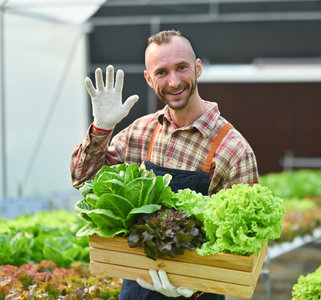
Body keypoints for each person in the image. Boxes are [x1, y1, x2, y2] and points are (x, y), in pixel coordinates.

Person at [70, 30, 259, 299]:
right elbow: (82, 179)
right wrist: (102, 128)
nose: (173, 81)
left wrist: (193, 284)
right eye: (161, 72)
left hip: (198, 292)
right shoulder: (141, 132)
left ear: (198, 68)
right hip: (137, 288)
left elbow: (244, 246)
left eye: (182, 68)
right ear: (148, 79)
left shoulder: (233, 150)